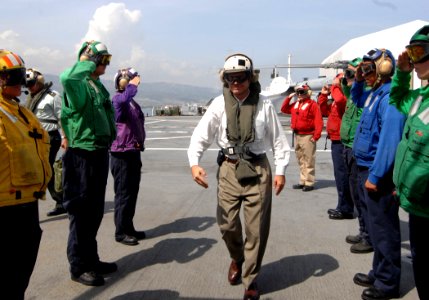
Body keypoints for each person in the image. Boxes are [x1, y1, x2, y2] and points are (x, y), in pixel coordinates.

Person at [187, 53, 290, 300]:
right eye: (230, 77)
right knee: (227, 224)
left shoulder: (264, 104)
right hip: (229, 169)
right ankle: (237, 257)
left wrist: (281, 171)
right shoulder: (218, 105)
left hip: (257, 169)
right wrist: (194, 164)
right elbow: (200, 136)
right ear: (225, 79)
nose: (236, 82)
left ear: (250, 77)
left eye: (241, 77)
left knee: (256, 229)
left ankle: (251, 279)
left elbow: (278, 141)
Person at [60, 40, 117, 286]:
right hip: (81, 154)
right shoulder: (79, 83)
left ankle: (91, 259)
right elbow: (68, 78)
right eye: (101, 59)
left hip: (98, 152)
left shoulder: (96, 85)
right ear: (90, 59)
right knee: (81, 212)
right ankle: (78, 265)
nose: (104, 64)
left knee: (94, 211)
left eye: (106, 60)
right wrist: (86, 61)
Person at [350, 48, 406, 300]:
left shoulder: (390, 97)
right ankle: (378, 271)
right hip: (366, 168)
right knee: (375, 226)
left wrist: (377, 174)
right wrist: (358, 80)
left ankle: (387, 283)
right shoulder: (375, 94)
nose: (365, 73)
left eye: (368, 69)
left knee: (384, 229)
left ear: (383, 68)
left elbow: (389, 140)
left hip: (377, 173)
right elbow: (357, 99)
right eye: (363, 69)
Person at [0, 50, 52, 299]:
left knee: (19, 273)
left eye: (21, 75)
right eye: (14, 76)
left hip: (27, 202)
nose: (21, 82)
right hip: (5, 205)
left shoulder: (21, 112)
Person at [389, 24, 429, 300]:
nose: (413, 61)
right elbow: (398, 99)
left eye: (418, 53)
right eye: (410, 54)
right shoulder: (420, 99)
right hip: (417, 206)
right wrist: (402, 74)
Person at [338, 58, 374, 254]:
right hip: (348, 147)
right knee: (356, 194)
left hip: (357, 148)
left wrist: (356, 78)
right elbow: (346, 92)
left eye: (352, 73)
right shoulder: (354, 94)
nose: (349, 77)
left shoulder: (367, 95)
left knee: (362, 197)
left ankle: (369, 236)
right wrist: (346, 79)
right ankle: (363, 231)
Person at [110, 68, 146, 246]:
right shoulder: (119, 99)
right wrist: (132, 84)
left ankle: (128, 227)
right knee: (123, 194)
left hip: (132, 151)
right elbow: (123, 100)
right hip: (121, 154)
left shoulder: (132, 102)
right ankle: (121, 232)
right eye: (129, 80)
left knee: (132, 193)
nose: (134, 82)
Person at [25, 68, 67, 217]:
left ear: (39, 82)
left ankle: (60, 200)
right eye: (27, 84)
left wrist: (65, 137)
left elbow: (62, 117)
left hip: (50, 137)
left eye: (31, 84)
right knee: (42, 170)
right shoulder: (30, 98)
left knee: (46, 169)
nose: (29, 87)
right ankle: (60, 200)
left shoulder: (53, 96)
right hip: (34, 138)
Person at [318, 73, 354, 220]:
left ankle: (345, 208)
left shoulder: (345, 97)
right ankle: (342, 205)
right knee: (340, 176)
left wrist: (335, 86)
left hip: (341, 141)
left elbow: (339, 99)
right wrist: (323, 95)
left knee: (342, 176)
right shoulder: (336, 98)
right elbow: (324, 111)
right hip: (335, 139)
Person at [281, 84, 323, 191]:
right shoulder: (296, 104)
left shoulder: (312, 105)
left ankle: (309, 182)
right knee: (300, 159)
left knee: (308, 160)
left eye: (302, 92)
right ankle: (303, 180)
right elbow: (284, 109)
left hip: (308, 135)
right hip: (298, 135)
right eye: (298, 92)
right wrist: (289, 97)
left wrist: (316, 136)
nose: (299, 94)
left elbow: (318, 121)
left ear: (307, 93)